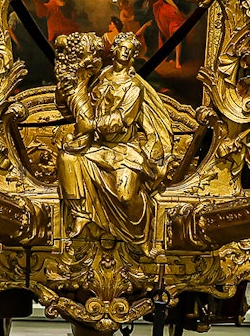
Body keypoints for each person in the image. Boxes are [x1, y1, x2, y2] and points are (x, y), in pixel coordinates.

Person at [56, 33, 172, 250]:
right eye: (121, 47)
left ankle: (141, 237)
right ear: (114, 50)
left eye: (130, 49)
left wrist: (91, 125)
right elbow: (80, 104)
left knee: (126, 195)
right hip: (97, 146)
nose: (125, 51)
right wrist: (63, 94)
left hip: (123, 149)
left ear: (134, 56)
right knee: (67, 158)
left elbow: (121, 120)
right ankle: (81, 214)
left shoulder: (134, 88)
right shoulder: (101, 76)